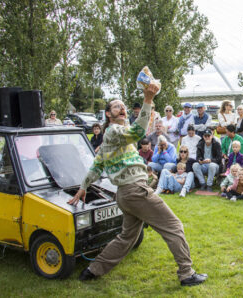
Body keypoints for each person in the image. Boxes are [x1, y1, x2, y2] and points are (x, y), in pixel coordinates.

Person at [67, 83, 207, 286]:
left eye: (123, 105)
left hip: (125, 194)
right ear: (108, 114)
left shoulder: (110, 138)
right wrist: (148, 100)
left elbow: (96, 167)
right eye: (116, 106)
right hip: (135, 190)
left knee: (127, 237)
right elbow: (137, 132)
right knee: (174, 226)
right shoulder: (115, 131)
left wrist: (83, 187)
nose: (122, 108)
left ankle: (92, 270)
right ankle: (186, 273)